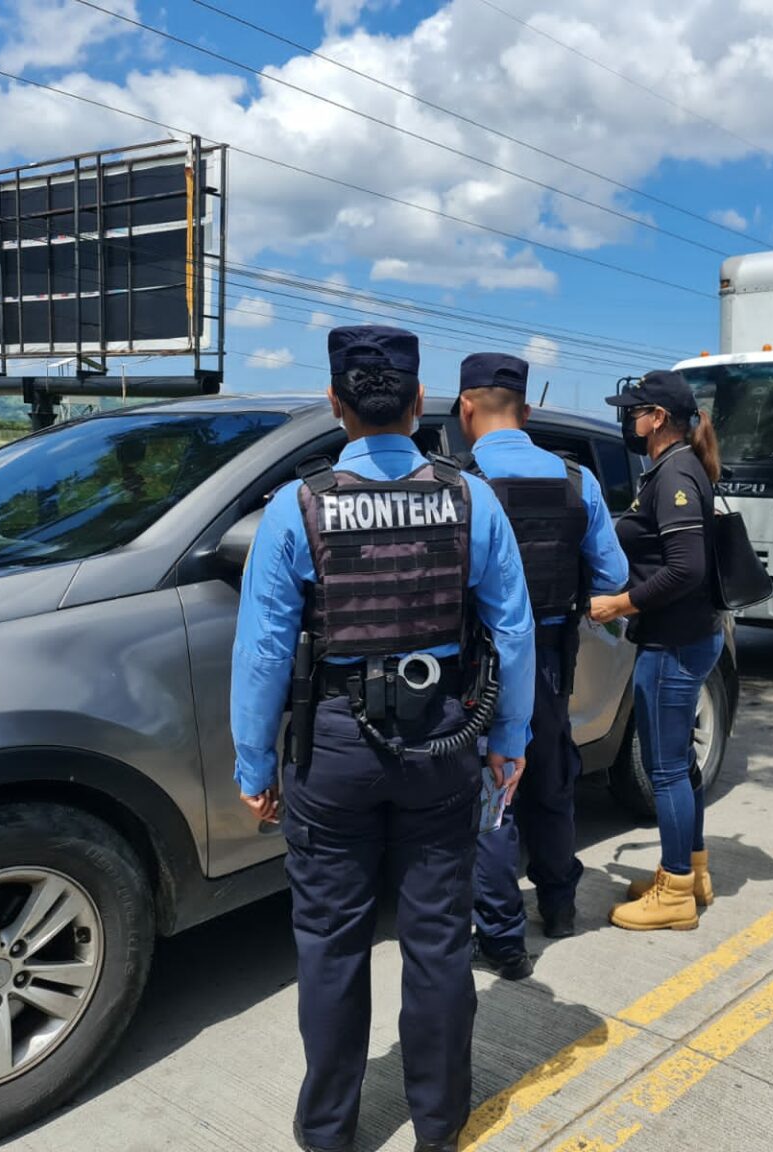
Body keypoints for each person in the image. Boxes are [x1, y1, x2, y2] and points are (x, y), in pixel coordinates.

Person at [230, 325, 535, 1152]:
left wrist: (254, 764)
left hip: (334, 747)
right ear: (418, 401)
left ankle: (329, 1131)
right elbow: (513, 631)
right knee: (438, 941)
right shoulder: (472, 500)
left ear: (336, 403)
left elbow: (262, 653)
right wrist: (509, 737)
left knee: (331, 946)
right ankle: (439, 1124)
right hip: (444, 738)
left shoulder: (297, 507)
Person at [455, 352, 630, 977]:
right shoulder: (578, 481)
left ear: (465, 409)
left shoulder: (459, 485)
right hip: (552, 658)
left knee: (494, 795)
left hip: (478, 666)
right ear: (526, 411)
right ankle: (558, 907)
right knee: (552, 783)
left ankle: (502, 939)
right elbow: (613, 576)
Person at [590, 370, 724, 931]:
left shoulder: (675, 474)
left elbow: (686, 568)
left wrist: (620, 603)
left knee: (664, 768)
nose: (629, 419)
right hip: (685, 636)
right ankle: (690, 873)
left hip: (675, 642)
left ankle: (674, 896)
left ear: (658, 418)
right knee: (678, 763)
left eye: (634, 410)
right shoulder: (676, 468)